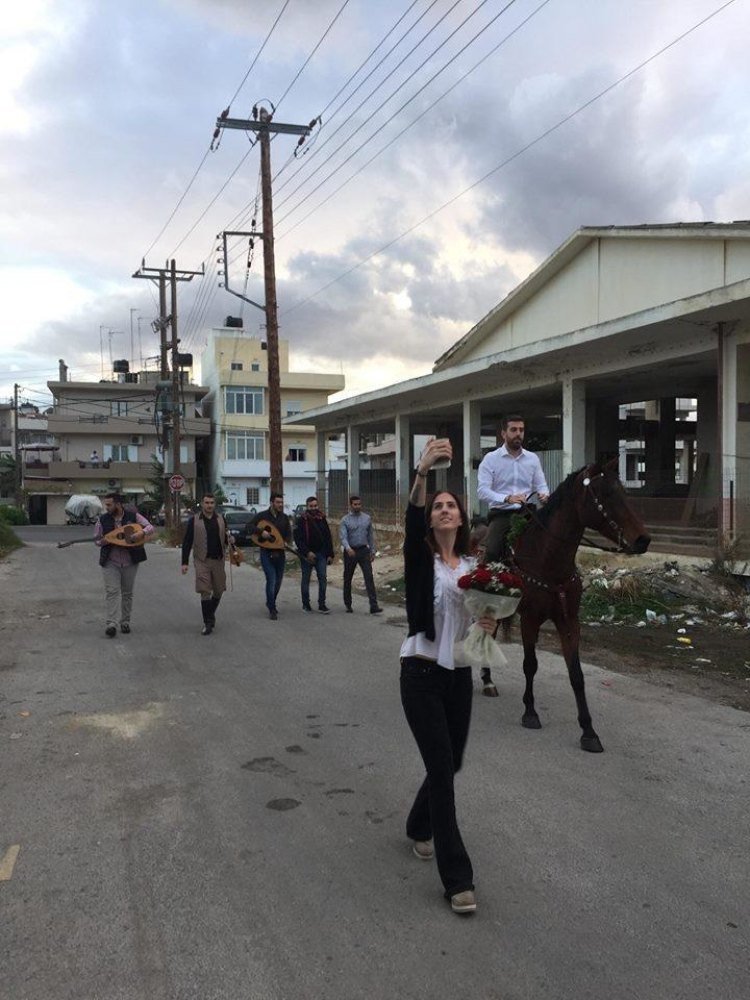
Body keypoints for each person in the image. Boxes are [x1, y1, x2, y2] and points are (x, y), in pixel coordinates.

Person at [400, 438, 498, 916]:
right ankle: (458, 878)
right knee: (442, 771)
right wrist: (423, 471)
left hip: (458, 674)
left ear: (461, 518)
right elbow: (411, 520)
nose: (443, 510)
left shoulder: (477, 569)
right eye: (437, 506)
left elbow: (483, 616)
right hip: (419, 672)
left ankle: (418, 824)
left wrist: (490, 622)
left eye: (450, 506)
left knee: (451, 761)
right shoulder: (422, 559)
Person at [477, 414, 549, 562]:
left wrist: (544, 495)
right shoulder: (491, 459)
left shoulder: (532, 459)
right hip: (501, 515)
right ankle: (486, 574)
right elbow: (482, 491)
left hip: (527, 512)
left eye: (521, 430)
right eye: (514, 429)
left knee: (550, 540)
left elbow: (541, 485)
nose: (518, 434)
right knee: (492, 551)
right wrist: (507, 498)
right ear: (503, 433)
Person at [95, 492, 153, 637]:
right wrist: (104, 541)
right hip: (110, 561)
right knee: (112, 591)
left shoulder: (133, 516)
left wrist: (141, 533)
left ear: (118, 504)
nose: (107, 507)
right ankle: (111, 624)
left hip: (130, 560)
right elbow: (97, 539)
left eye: (109, 505)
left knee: (127, 593)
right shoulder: (102, 520)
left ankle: (125, 622)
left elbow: (150, 527)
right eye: (106, 505)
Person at [181, 493, 234, 635]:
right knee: (205, 590)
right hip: (202, 560)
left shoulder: (221, 519)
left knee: (219, 590)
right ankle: (208, 623)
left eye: (211, 503)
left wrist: (230, 541)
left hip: (218, 560)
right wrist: (184, 562)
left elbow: (226, 538)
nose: (209, 505)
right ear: (202, 504)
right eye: (207, 503)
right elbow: (187, 542)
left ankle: (210, 613)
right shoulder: (194, 520)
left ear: (214, 504)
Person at [249, 492, 292, 620]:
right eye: (278, 502)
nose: (280, 504)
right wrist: (261, 532)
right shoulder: (262, 516)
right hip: (266, 552)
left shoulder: (284, 517)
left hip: (280, 553)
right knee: (271, 579)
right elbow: (249, 526)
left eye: (281, 502)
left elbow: (289, 534)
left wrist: (286, 541)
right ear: (272, 502)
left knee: (278, 582)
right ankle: (272, 608)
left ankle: (270, 601)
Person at [339, 495, 383, 614]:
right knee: (348, 578)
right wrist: (348, 548)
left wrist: (372, 551)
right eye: (355, 504)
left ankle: (374, 606)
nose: (357, 506)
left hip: (363, 551)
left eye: (359, 504)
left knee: (369, 577)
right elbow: (343, 537)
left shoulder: (367, 518)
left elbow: (370, 536)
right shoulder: (345, 520)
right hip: (351, 551)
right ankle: (348, 604)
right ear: (351, 505)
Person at [293, 496, 334, 613]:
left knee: (323, 578)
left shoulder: (322, 518)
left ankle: (322, 604)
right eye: (311, 506)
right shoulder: (301, 520)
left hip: (321, 554)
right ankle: (306, 604)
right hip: (306, 556)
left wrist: (330, 554)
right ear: (307, 506)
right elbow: (298, 539)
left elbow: (328, 537)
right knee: (306, 579)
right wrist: (307, 552)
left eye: (315, 506)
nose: (313, 508)